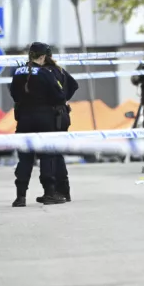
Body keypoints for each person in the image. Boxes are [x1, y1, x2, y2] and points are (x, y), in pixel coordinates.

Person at [10, 42, 67, 207]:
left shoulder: (18, 72)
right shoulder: (45, 73)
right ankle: (49, 192)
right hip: (45, 120)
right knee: (47, 156)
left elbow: (14, 95)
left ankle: (20, 197)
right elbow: (59, 96)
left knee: (24, 158)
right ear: (43, 56)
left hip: (24, 120)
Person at [40, 45, 79, 204]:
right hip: (62, 114)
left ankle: (58, 191)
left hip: (53, 116)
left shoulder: (44, 72)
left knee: (52, 154)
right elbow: (74, 85)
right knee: (56, 153)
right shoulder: (59, 70)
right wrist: (64, 100)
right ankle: (63, 191)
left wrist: (58, 100)